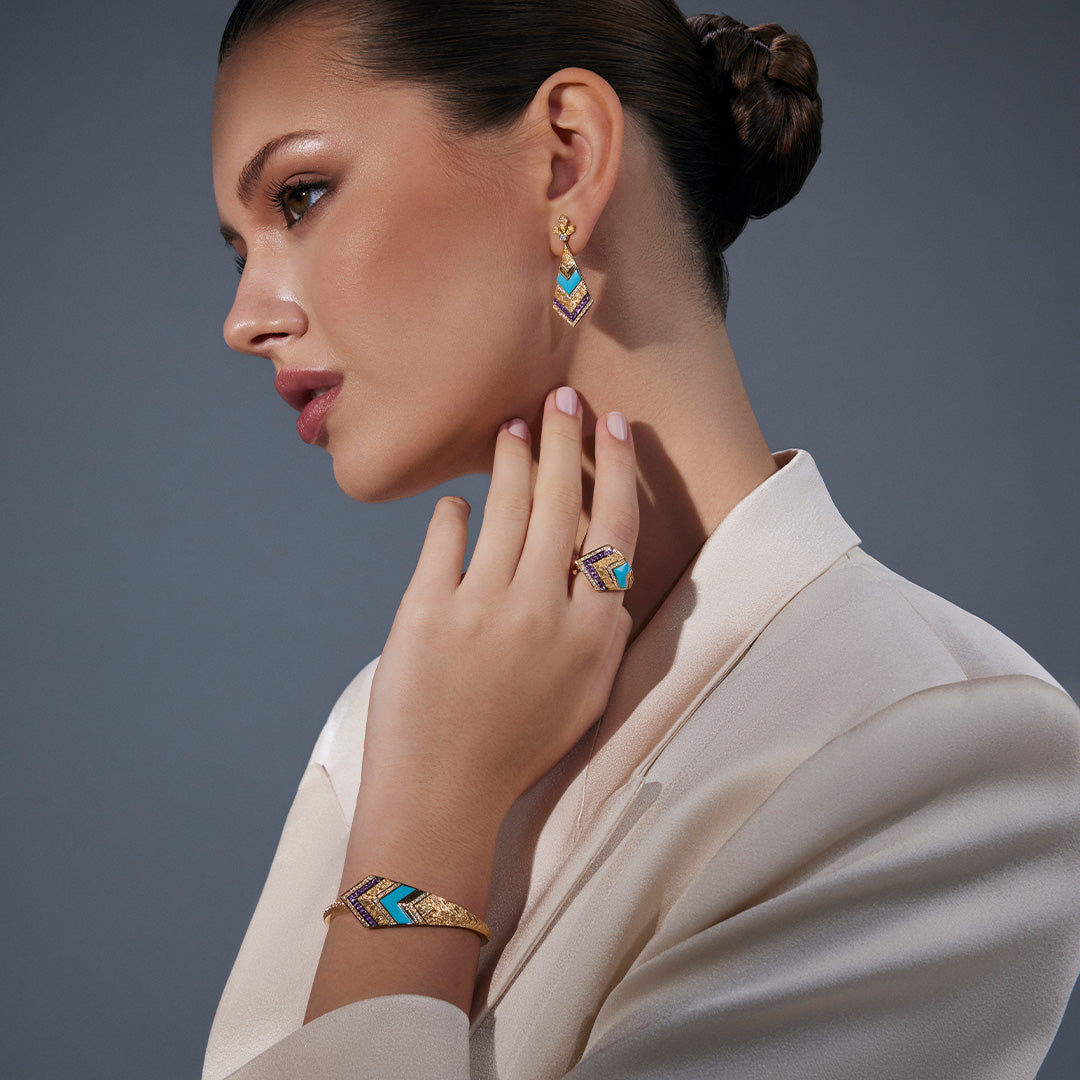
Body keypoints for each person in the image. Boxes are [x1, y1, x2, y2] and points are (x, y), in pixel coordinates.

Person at [204, 2, 1080, 1077]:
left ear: (566, 160)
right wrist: (423, 786)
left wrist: (425, 834)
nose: (245, 318)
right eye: (238, 250)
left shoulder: (945, 739)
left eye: (300, 197)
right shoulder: (383, 726)